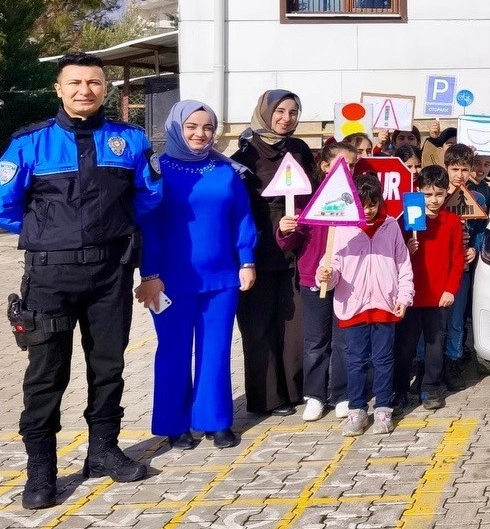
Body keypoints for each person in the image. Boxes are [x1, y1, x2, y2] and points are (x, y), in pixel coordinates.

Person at [0, 53, 164, 510]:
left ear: (106, 89)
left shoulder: (129, 140)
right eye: (76, 83)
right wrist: (50, 233)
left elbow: (148, 197)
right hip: (50, 278)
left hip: (110, 275)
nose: (85, 90)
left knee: (109, 367)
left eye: (95, 83)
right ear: (59, 89)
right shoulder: (31, 143)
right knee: (46, 375)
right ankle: (41, 469)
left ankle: (103, 452)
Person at [136, 101, 257, 451]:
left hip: (222, 280)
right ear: (175, 128)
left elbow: (241, 217)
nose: (200, 134)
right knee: (173, 351)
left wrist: (247, 261)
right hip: (168, 281)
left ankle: (215, 420)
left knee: (216, 350)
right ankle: (174, 424)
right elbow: (148, 226)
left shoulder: (226, 171)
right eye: (191, 127)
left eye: (207, 128)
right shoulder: (156, 171)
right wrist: (149, 274)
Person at [231, 90, 314, 416]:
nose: (286, 118)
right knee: (259, 326)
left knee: (294, 326)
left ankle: (296, 389)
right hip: (259, 251)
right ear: (265, 112)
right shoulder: (246, 155)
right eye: (279, 111)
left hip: (297, 250)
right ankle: (268, 398)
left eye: (293, 112)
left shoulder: (300, 149)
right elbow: (236, 208)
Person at [316, 174, 414, 436]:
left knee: (383, 359)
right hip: (353, 303)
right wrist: (325, 275)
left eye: (372, 204)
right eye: (362, 205)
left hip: (385, 303)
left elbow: (403, 265)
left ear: (380, 201)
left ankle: (383, 408)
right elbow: (333, 266)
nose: (368, 210)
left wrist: (404, 297)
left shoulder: (391, 226)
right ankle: (357, 409)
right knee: (356, 360)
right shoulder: (340, 228)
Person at [277, 142, 360, 422]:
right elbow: (292, 241)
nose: (348, 170)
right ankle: (314, 395)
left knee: (344, 341)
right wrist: (285, 230)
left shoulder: (357, 200)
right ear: (325, 167)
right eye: (342, 164)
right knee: (315, 340)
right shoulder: (309, 201)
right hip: (313, 279)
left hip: (348, 281)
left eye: (352, 165)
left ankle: (343, 394)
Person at [393, 166, 466, 411]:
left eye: (439, 194)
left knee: (435, 345)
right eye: (427, 194)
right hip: (410, 295)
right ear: (418, 192)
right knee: (405, 346)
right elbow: (393, 256)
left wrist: (450, 289)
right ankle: (400, 389)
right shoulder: (406, 220)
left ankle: (431, 387)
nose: (433, 200)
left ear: (446, 193)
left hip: (438, 296)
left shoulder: (452, 222)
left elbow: (457, 259)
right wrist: (406, 249)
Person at [440, 144, 489, 390]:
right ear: (446, 168)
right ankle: (427, 363)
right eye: (455, 169)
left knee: (457, 320)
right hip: (438, 267)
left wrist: (475, 249)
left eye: (464, 169)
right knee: (434, 320)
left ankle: (453, 360)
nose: (459, 175)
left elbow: (481, 231)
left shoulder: (477, 199)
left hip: (462, 269)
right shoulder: (437, 195)